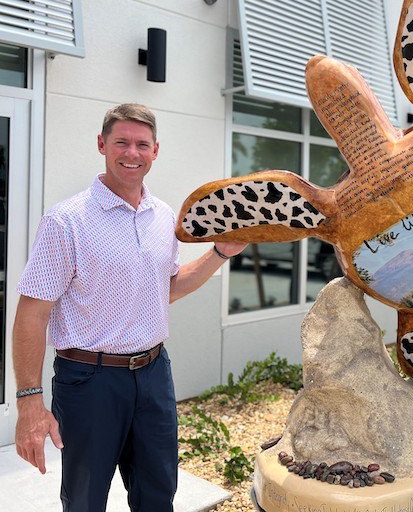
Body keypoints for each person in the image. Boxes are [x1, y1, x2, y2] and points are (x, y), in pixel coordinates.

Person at [12, 103, 247, 511]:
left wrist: (220, 253)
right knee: (86, 499)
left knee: (158, 493)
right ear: (102, 144)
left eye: (142, 144)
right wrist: (29, 401)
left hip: (155, 375)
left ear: (156, 151)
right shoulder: (66, 221)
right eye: (121, 142)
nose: (131, 153)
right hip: (89, 381)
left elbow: (166, 289)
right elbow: (33, 313)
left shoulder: (163, 217)